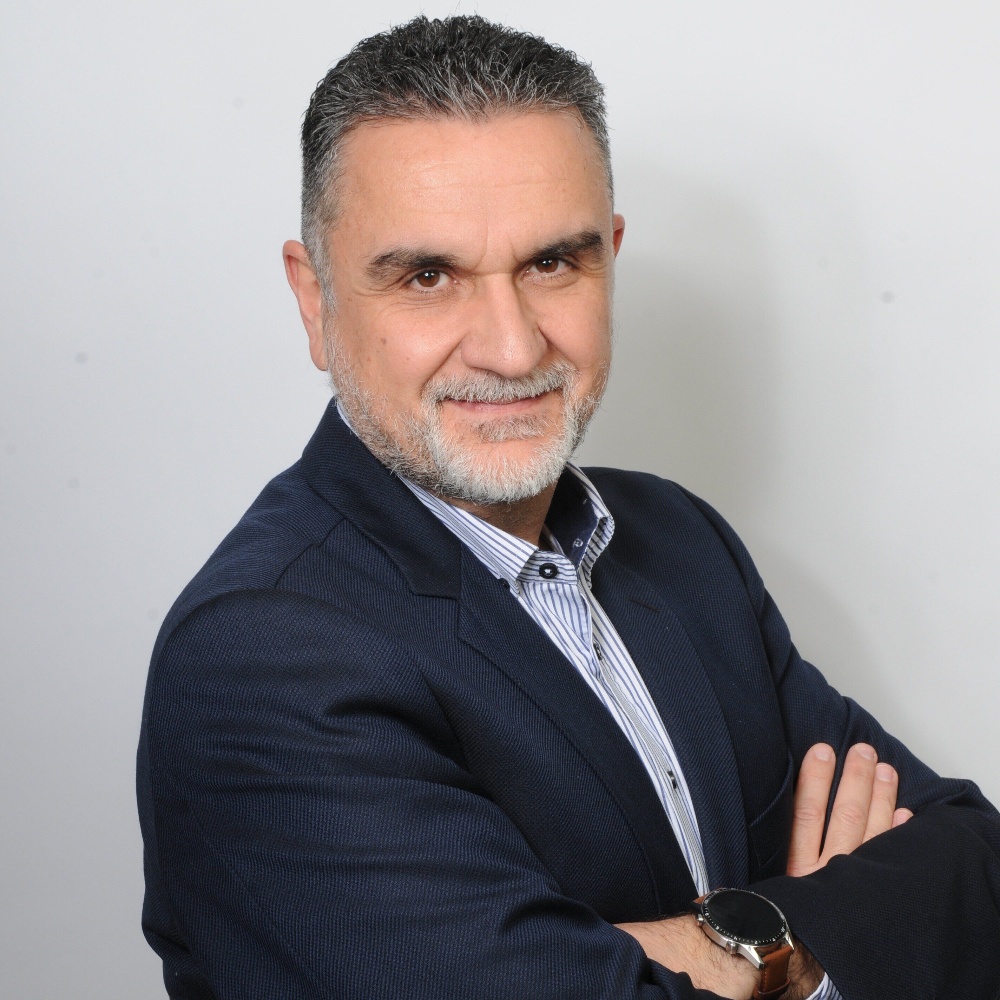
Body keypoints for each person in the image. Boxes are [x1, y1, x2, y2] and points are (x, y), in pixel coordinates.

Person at [136, 14, 1000, 1000]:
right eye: (428, 276)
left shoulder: (681, 544)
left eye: (552, 263)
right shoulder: (261, 655)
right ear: (315, 301)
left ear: (610, 258)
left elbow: (974, 863)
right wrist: (804, 940)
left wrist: (697, 953)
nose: (511, 348)